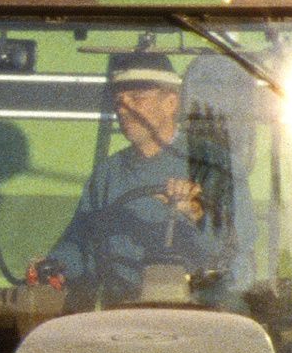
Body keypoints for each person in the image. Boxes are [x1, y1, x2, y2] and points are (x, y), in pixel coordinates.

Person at [36, 50, 226, 304]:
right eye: (119, 102)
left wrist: (195, 212)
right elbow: (80, 245)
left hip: (197, 315)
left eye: (137, 98)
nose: (124, 110)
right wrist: (53, 266)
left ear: (170, 103)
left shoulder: (212, 165)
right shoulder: (108, 174)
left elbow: (234, 253)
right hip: (122, 316)